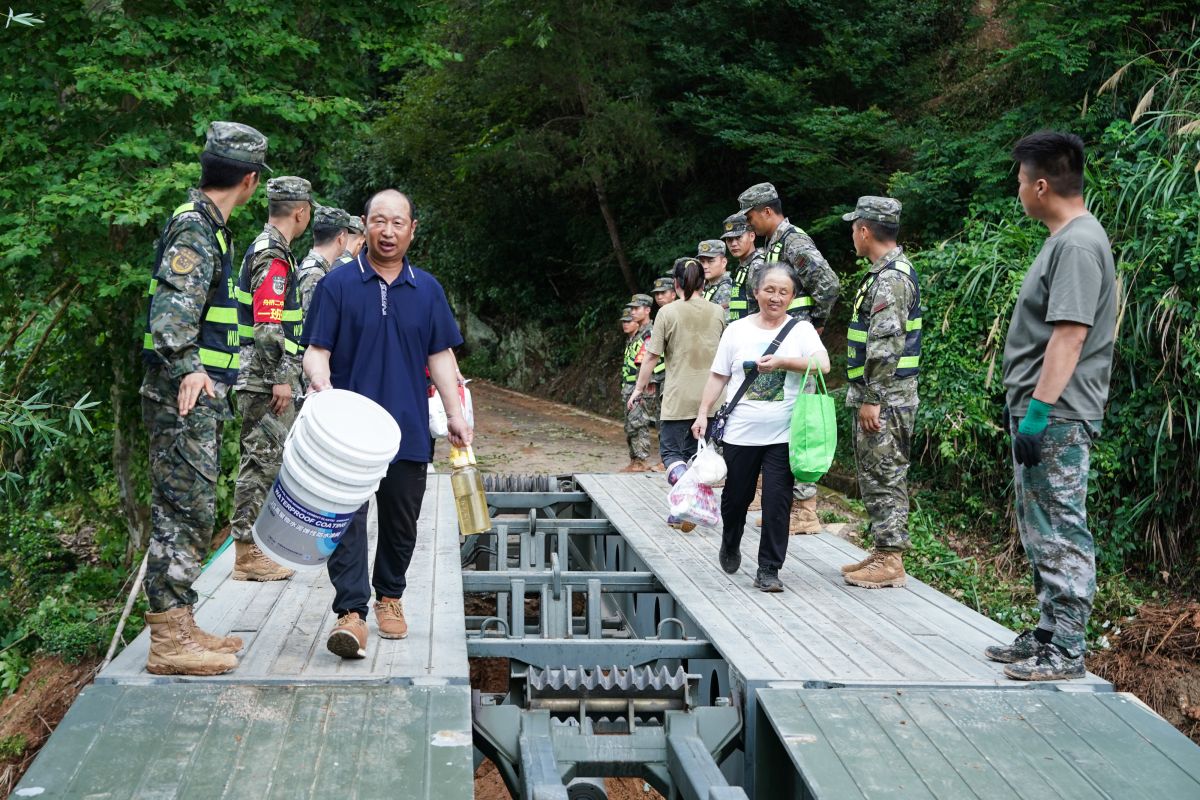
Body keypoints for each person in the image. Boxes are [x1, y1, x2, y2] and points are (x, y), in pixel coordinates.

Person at [302, 189, 471, 660]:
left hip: (408, 431)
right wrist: (321, 387)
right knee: (345, 523)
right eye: (380, 221)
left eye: (398, 223)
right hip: (348, 437)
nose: (389, 231)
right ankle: (351, 614)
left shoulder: (427, 289)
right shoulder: (336, 286)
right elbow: (316, 350)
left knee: (402, 524)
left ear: (412, 229)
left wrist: (455, 416)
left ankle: (390, 597)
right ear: (364, 224)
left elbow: (441, 355)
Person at [985, 132, 1116, 681]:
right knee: (1039, 524)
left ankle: (1067, 648)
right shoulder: (1063, 238)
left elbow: (1069, 335)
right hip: (1042, 408)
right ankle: (1047, 631)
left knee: (1061, 525)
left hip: (1058, 413)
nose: (1017, 191)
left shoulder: (1079, 244)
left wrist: (1037, 414)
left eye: (1019, 181)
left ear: (1041, 185)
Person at [140, 121, 267, 676]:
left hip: (198, 398)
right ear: (250, 180)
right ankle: (168, 642)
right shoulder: (195, 231)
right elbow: (170, 323)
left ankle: (181, 622)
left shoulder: (212, 228)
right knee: (182, 511)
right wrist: (191, 371)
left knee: (191, 510)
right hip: (182, 399)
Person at [692, 265, 830, 592]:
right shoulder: (737, 330)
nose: (776, 297)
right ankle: (730, 540)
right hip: (741, 432)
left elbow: (823, 365)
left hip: (784, 434)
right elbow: (719, 376)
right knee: (735, 500)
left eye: (784, 292)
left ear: (793, 297)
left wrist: (784, 362)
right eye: (770, 290)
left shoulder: (802, 331)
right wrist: (702, 413)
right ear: (756, 292)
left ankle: (769, 568)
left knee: (777, 503)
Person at [738, 182, 840, 533]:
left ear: (767, 211)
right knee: (785, 418)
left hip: (796, 345)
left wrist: (815, 326)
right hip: (782, 346)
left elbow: (828, 285)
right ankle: (793, 505)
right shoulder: (774, 244)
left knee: (803, 421)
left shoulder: (794, 241)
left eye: (751, 216)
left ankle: (806, 509)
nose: (748, 225)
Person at [229, 176, 312, 583]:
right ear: (301, 211)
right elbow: (268, 323)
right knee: (259, 462)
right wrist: (281, 376)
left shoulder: (272, 250)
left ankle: (255, 549)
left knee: (267, 460)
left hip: (263, 376)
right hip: (264, 379)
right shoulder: (273, 256)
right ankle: (247, 554)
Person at [838, 197, 921, 589]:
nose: (852, 233)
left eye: (855, 227)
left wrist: (873, 397)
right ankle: (883, 549)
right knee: (875, 472)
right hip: (882, 393)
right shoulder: (885, 273)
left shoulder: (891, 278)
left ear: (865, 231)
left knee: (886, 472)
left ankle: (891, 559)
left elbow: (887, 344)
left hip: (886, 397)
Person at [628, 258, 725, 489]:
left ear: (676, 283)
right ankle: (690, 506)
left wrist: (638, 390)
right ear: (703, 283)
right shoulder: (718, 311)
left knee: (671, 455)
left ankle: (686, 495)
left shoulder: (667, 313)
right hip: (712, 399)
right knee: (697, 455)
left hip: (678, 398)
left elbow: (651, 356)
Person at [297, 205, 352, 316]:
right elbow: (313, 325)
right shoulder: (316, 275)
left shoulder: (309, 265)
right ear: (341, 238)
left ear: (314, 235)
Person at [619, 313, 653, 472]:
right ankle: (634, 460)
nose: (625, 324)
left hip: (638, 386)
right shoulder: (632, 340)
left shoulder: (646, 337)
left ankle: (641, 460)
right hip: (628, 386)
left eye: (629, 321)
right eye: (623, 321)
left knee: (639, 423)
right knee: (630, 424)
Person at [721, 212, 765, 322]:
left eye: (738, 237)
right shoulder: (745, 266)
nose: (733, 244)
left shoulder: (757, 266)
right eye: (729, 239)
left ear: (751, 236)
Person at [697, 239, 733, 317]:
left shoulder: (726, 289)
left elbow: (725, 324)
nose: (705, 266)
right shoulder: (705, 286)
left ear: (723, 262)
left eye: (710, 261)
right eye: (702, 262)